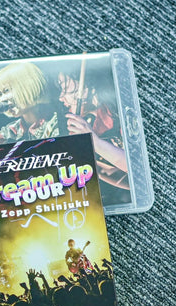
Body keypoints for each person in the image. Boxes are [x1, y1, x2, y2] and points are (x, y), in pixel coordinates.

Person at [58, 61, 131, 202]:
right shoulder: (89, 122)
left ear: (87, 88)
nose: (61, 97)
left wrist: (95, 143)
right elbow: (120, 178)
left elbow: (135, 167)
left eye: (64, 88)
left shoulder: (118, 112)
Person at [0, 62, 62, 142]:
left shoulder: (58, 123)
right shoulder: (9, 132)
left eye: (7, 90)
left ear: (28, 87)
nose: (2, 99)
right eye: (0, 94)